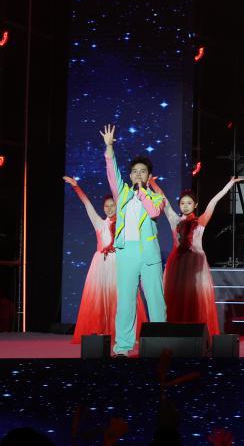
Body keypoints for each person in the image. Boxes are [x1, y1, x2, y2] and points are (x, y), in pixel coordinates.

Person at [101, 123, 167, 356]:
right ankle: (123, 347)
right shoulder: (122, 193)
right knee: (126, 302)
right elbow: (112, 172)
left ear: (149, 176)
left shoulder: (157, 197)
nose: (138, 174)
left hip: (148, 253)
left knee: (156, 301)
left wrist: (142, 191)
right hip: (126, 252)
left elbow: (154, 212)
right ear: (129, 176)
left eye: (143, 171)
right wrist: (109, 148)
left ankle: (159, 346)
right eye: (135, 171)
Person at [152, 175, 244, 335]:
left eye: (189, 203)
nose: (185, 206)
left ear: (195, 205)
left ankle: (196, 335)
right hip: (178, 265)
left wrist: (230, 184)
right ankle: (176, 334)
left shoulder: (201, 221)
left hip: (195, 263)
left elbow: (214, 201)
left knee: (195, 297)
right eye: (182, 203)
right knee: (178, 297)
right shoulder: (175, 220)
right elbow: (164, 199)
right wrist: (152, 183)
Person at [63, 176, 147, 341]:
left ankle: (126, 333)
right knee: (100, 299)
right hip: (101, 265)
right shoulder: (99, 223)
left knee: (122, 298)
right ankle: (102, 332)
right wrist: (76, 187)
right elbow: (87, 204)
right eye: (106, 206)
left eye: (112, 205)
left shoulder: (124, 224)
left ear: (117, 206)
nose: (109, 208)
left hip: (120, 264)